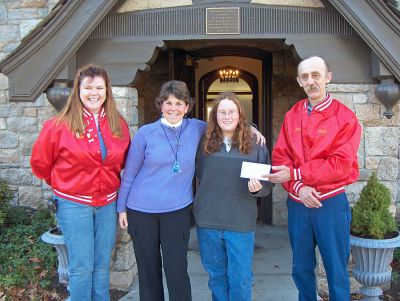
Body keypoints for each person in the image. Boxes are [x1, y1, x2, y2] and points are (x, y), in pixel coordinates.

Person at [117, 81, 264, 301]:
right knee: (148, 271)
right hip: (141, 210)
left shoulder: (197, 128)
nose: (173, 108)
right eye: (168, 103)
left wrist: (250, 127)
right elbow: (129, 174)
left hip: (176, 211)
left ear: (187, 107)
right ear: (161, 105)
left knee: (177, 270)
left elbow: (227, 121)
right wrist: (122, 208)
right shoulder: (145, 134)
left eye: (179, 103)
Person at [30, 64, 130, 301]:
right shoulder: (58, 125)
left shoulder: (118, 124)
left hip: (107, 203)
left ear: (107, 91)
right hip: (74, 205)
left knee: (102, 265)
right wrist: (65, 185)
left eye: (99, 87)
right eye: (88, 87)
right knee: (82, 266)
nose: (94, 92)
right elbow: (40, 164)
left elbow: (123, 161)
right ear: (78, 90)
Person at [267, 56, 362, 301]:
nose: (311, 81)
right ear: (299, 81)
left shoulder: (345, 118)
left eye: (316, 75)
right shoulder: (292, 115)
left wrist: (297, 174)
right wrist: (299, 188)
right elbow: (280, 157)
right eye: (305, 77)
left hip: (329, 203)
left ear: (328, 77)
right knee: (301, 269)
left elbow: (340, 165)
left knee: (336, 270)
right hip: (299, 205)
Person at [193, 92, 273, 301]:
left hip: (240, 222)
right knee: (216, 278)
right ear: (214, 116)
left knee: (241, 278)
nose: (227, 116)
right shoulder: (202, 142)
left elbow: (267, 183)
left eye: (231, 112)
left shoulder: (256, 144)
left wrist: (257, 189)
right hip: (208, 221)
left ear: (240, 115)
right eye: (222, 112)